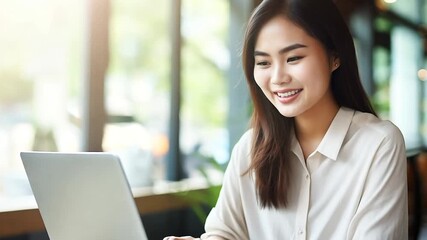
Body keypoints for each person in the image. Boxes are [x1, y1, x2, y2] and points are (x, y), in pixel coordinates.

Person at [164, 0, 408, 239]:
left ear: (334, 56)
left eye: (293, 58)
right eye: (263, 63)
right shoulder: (250, 149)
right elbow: (225, 232)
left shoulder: (378, 144)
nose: (277, 77)